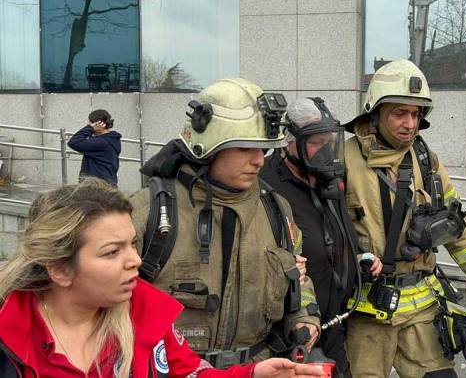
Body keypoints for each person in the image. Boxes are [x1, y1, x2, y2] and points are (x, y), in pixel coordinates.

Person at [0, 179, 324, 377]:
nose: (135, 261)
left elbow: (190, 374)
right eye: (113, 252)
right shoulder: (9, 341)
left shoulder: (145, 313)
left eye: (132, 244)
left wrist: (251, 375)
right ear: (59, 268)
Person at [130, 78, 321, 368]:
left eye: (264, 150)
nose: (259, 161)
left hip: (257, 369)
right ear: (208, 148)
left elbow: (298, 274)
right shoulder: (149, 211)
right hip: (175, 370)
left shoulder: (276, 210)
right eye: (245, 148)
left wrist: (304, 319)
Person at [342, 59, 466, 377]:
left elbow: (454, 219)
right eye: (399, 113)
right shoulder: (342, 159)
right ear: (374, 114)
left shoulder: (425, 159)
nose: (409, 123)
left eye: (416, 114)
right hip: (368, 315)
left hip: (422, 312)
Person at [261, 97, 367, 377]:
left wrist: (359, 259)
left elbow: (339, 234)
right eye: (316, 143)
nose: (326, 150)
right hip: (292, 336)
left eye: (330, 141)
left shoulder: (330, 181)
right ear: (289, 142)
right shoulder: (266, 184)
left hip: (335, 326)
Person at [68, 109, 122, 186]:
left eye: (91, 123)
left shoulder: (100, 142)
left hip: (96, 186)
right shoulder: (112, 139)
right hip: (107, 184)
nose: (90, 125)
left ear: (98, 124)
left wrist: (89, 128)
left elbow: (73, 142)